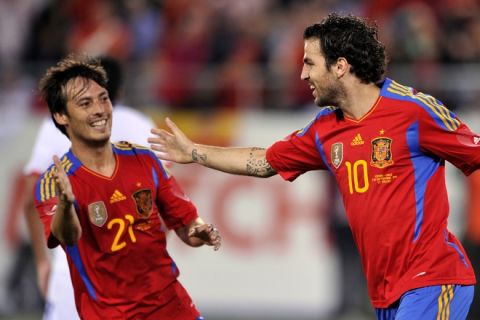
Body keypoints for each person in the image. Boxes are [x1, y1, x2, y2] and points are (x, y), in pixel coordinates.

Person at [149, 13, 478, 319]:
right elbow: (263, 162)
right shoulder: (324, 129)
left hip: (434, 277)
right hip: (387, 291)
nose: (303, 74)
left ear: (339, 67)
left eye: (309, 63)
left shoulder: (415, 111)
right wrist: (194, 152)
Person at [32, 54, 221, 320]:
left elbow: (185, 225)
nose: (100, 110)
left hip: (172, 307)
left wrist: (200, 230)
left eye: (103, 98)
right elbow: (68, 236)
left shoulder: (144, 159)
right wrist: (65, 203)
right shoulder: (54, 182)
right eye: (85, 103)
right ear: (61, 115)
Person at [24, 56, 171, 319]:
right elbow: (165, 203)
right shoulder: (142, 125)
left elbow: (30, 197)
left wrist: (41, 262)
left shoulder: (57, 123)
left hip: (72, 272)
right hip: (137, 274)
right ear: (121, 89)